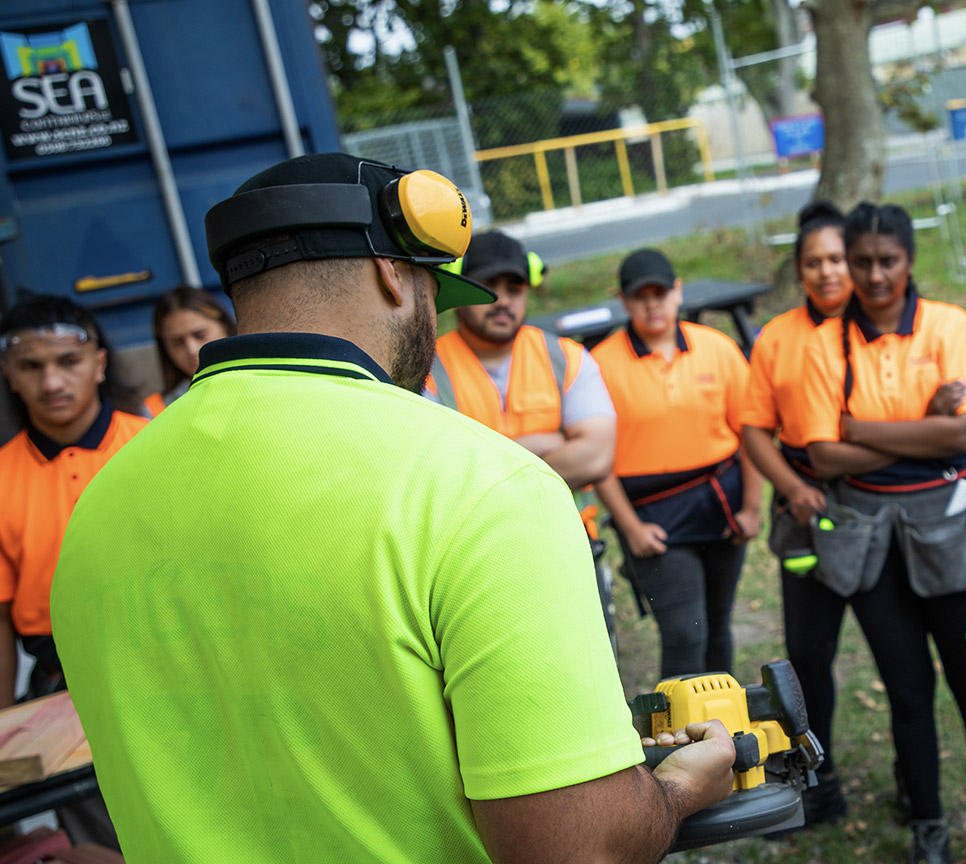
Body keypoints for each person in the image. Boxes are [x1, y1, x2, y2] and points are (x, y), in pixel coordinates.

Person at [50, 153, 735, 863]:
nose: (437, 319)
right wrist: (680, 789)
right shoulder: (483, 486)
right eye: (435, 291)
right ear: (393, 274)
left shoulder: (100, 506)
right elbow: (580, 847)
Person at [801, 202, 966, 864]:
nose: (874, 276)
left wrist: (863, 430)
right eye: (862, 261)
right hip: (871, 544)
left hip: (952, 534)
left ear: (909, 261)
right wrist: (921, 431)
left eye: (888, 260)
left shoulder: (949, 326)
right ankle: (929, 829)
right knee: (908, 693)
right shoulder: (825, 344)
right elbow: (823, 457)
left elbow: (963, 432)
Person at [0, 294, 145, 848]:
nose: (51, 382)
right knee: (100, 839)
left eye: (68, 361)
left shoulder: (154, 441)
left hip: (167, 659)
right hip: (60, 687)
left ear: (100, 363)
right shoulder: (4, 476)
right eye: (31, 367)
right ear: (10, 375)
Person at [591, 248, 763, 679]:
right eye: (640, 296)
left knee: (718, 625)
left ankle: (724, 728)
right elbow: (597, 460)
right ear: (623, 300)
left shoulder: (717, 348)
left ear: (678, 292)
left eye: (661, 293)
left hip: (721, 504)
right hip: (651, 516)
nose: (653, 304)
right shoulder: (601, 365)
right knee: (686, 632)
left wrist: (752, 507)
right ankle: (679, 739)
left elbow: (751, 433)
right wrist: (630, 528)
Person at [740, 200, 854, 828]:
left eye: (837, 259)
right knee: (809, 658)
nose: (827, 272)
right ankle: (821, 778)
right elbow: (756, 428)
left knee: (898, 655)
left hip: (869, 508)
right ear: (800, 269)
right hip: (802, 511)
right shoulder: (777, 336)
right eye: (814, 262)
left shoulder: (871, 326)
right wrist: (791, 487)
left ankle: (911, 776)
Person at [426, 231, 614, 490]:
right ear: (460, 287)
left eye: (514, 289)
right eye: (488, 286)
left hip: (566, 530)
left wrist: (487, 477)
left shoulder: (567, 358)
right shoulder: (427, 369)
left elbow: (596, 458)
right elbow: (439, 473)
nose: (502, 301)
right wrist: (548, 443)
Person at [146, 286, 235, 416]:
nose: (192, 350)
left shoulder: (266, 378)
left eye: (200, 335)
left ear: (225, 326)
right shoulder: (154, 411)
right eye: (177, 342)